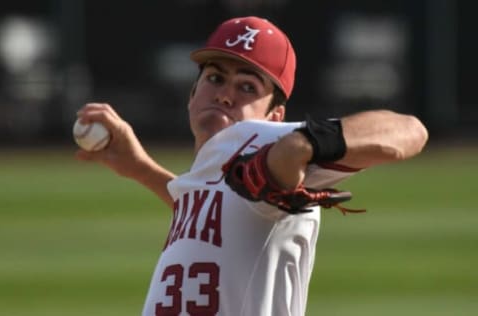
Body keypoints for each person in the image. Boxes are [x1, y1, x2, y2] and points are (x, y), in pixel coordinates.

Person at [75, 16, 428, 316]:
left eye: (247, 86)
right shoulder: (212, 166)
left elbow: (410, 131)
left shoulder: (259, 139)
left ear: (275, 116)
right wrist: (142, 169)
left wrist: (305, 142)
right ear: (192, 93)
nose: (225, 94)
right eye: (215, 78)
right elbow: (218, 216)